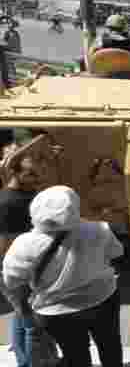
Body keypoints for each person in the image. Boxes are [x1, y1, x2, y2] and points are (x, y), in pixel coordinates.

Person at [3, 186, 125, 367]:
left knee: (75, 354)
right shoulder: (99, 229)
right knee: (110, 344)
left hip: (57, 311)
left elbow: (11, 280)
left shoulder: (24, 244)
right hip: (102, 298)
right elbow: (116, 253)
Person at [0, 155, 47, 367]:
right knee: (33, 325)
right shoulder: (6, 202)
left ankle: (23, 361)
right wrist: (16, 275)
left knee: (22, 317)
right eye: (30, 173)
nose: (36, 177)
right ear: (14, 173)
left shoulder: (29, 194)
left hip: (29, 266)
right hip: (15, 270)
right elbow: (4, 245)